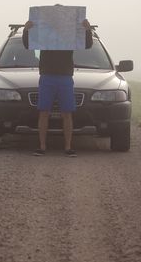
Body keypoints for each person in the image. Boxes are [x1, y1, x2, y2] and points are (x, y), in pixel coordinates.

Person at [23, 17, 93, 157]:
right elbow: (28, 45)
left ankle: (68, 147)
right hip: (47, 76)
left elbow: (87, 44)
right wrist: (26, 30)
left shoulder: (70, 36)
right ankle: (42, 147)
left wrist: (88, 30)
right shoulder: (44, 35)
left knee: (67, 113)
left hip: (65, 77)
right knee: (44, 112)